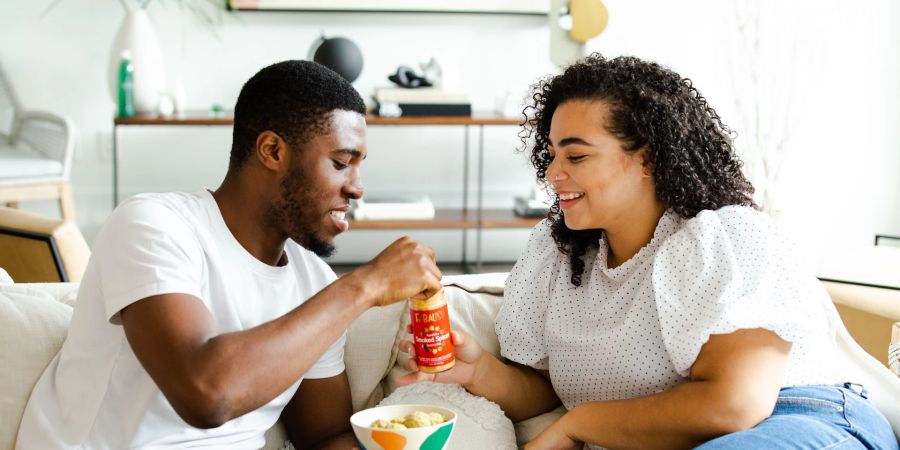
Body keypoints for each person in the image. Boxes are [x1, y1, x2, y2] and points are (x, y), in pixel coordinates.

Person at [398, 54, 898, 450]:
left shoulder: (724, 237)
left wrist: (583, 423)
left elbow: (735, 406)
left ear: (649, 158)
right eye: (551, 155)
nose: (552, 174)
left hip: (801, 419)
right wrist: (478, 370)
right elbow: (545, 388)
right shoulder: (557, 257)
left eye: (576, 155)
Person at [16, 60, 442, 449]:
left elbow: (323, 436)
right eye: (340, 163)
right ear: (272, 151)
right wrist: (366, 285)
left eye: (359, 165)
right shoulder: (154, 225)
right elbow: (205, 394)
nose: (357, 187)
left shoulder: (313, 282)